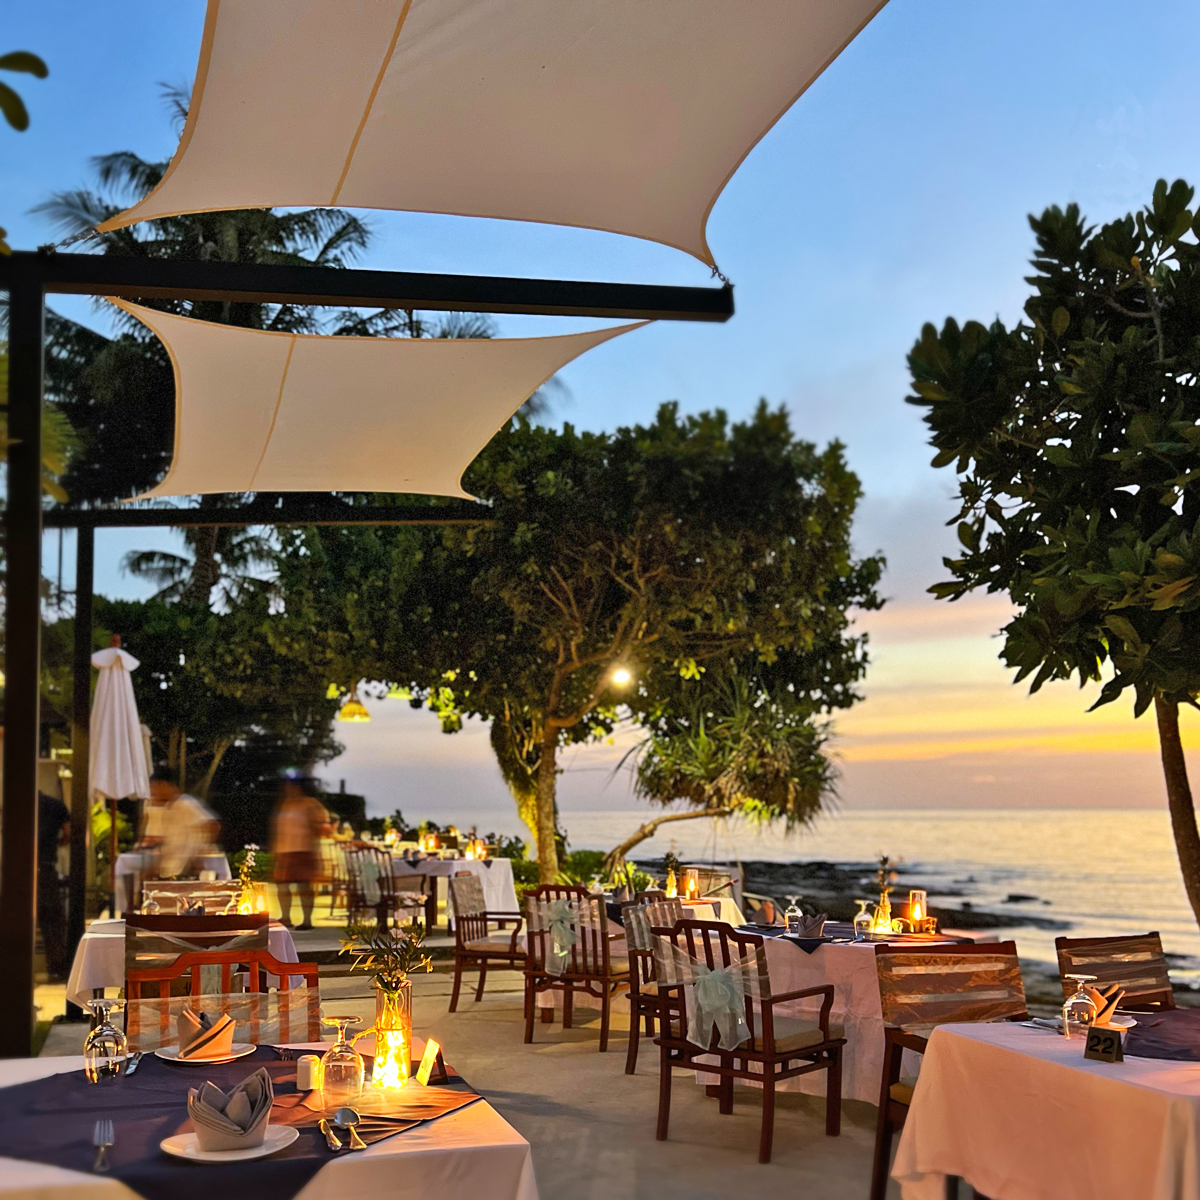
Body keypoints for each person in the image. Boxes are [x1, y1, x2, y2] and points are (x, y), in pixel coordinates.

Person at [271, 773, 332, 930]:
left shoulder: (310, 804)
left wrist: (316, 829)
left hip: (303, 850)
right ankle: (286, 917)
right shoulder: (286, 804)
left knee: (303, 887)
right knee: (283, 888)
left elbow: (323, 824)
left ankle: (306, 920)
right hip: (286, 851)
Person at [138, 771, 220, 879]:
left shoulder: (185, 803)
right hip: (169, 867)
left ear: (164, 785)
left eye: (154, 787)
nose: (153, 792)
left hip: (186, 867)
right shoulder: (166, 807)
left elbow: (213, 825)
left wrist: (201, 852)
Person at [36, 791, 71, 981]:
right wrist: (56, 844)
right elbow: (68, 833)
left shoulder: (16, 803)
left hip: (19, 868)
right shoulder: (56, 805)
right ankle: (56, 966)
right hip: (46, 866)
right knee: (53, 920)